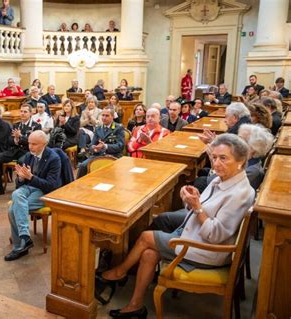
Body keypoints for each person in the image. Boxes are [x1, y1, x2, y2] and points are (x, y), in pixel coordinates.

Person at [101, 134, 254, 318]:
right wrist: (191, 199)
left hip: (208, 250)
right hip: (193, 235)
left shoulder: (240, 193)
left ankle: (119, 272)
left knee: (146, 237)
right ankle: (136, 305)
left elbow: (215, 234)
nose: (215, 163)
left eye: (223, 158)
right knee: (150, 253)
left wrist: (197, 207)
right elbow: (203, 209)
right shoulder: (222, 179)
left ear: (241, 161)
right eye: (214, 157)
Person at [4, 131, 61, 261]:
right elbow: (20, 185)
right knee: (16, 193)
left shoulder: (53, 159)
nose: (30, 147)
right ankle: (25, 238)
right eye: (29, 143)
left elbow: (51, 186)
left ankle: (20, 246)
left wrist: (30, 177)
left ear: (44, 144)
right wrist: (21, 178)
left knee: (13, 209)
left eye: (34, 144)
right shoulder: (29, 156)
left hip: (46, 192)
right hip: (30, 187)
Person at [194, 124, 273, 193]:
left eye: (240, 140)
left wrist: (213, 160)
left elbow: (221, 184)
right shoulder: (246, 159)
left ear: (252, 148)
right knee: (202, 171)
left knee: (199, 181)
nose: (235, 143)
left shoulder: (251, 171)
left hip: (221, 195)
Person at [0, 104, 42, 197]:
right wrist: (16, 140)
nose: (23, 114)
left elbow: (33, 141)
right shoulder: (16, 125)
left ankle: (20, 188)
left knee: (21, 161)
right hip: (15, 150)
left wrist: (21, 136)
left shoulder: (36, 126)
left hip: (27, 151)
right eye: (21, 111)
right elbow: (9, 140)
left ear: (30, 113)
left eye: (25, 112)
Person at [76, 107, 125, 178]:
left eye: (107, 116)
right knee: (83, 166)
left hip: (113, 156)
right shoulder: (98, 128)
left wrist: (105, 146)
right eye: (103, 115)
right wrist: (93, 148)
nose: (104, 118)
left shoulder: (118, 128)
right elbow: (91, 145)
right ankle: (78, 186)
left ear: (112, 117)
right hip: (98, 155)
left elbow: (120, 146)